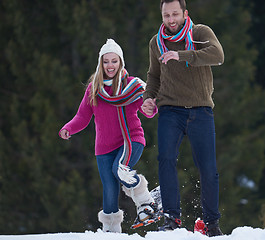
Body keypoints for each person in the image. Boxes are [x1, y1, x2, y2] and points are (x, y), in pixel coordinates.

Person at [141, 0, 224, 237]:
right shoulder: (156, 43)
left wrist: (181, 55)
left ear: (185, 13)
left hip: (201, 110)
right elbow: (153, 76)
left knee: (208, 169)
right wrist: (148, 98)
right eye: (166, 15)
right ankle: (171, 218)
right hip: (170, 110)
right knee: (166, 160)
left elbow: (218, 55)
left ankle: (211, 223)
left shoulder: (200, 32)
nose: (171, 19)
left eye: (175, 14)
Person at [59, 39, 160, 233]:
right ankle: (111, 231)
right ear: (100, 63)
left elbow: (147, 107)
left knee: (120, 169)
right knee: (110, 189)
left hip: (131, 140)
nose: (110, 65)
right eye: (106, 61)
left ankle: (147, 203)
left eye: (114, 61)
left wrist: (151, 108)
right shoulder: (94, 89)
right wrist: (68, 128)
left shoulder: (132, 85)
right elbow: (82, 116)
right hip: (104, 148)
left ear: (121, 62)